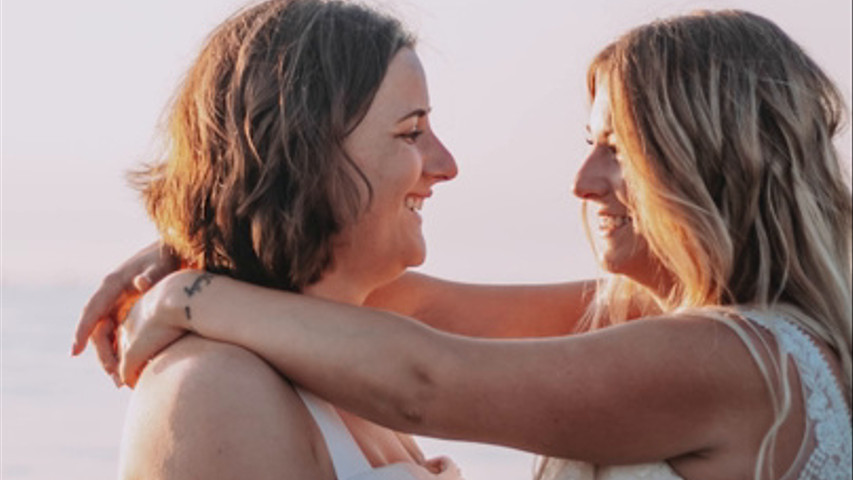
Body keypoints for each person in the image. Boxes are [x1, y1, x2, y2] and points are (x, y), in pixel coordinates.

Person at [74, 9, 852, 480]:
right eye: (411, 133)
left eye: (620, 149)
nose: (583, 181)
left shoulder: (732, 358)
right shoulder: (663, 323)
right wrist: (199, 242)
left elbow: (426, 378)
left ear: (709, 161)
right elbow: (404, 306)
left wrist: (189, 295)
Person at [75, 0, 464, 478]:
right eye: (411, 132)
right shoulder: (217, 391)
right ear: (303, 156)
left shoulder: (348, 371)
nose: (446, 165)